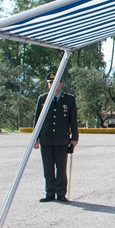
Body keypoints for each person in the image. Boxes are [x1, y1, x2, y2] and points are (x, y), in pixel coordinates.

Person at [34, 72, 79, 203]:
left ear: (60, 83)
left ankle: (60, 194)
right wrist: (35, 139)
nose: (52, 85)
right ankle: (49, 193)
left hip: (62, 139)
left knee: (61, 167)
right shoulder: (42, 99)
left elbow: (73, 120)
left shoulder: (69, 99)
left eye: (55, 82)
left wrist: (74, 138)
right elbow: (37, 120)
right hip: (46, 139)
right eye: (50, 83)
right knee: (48, 168)